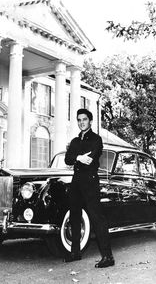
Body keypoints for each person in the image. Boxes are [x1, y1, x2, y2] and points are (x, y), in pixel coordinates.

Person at [64, 108, 114, 268]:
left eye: (84, 119)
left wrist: (77, 158)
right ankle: (75, 252)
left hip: (90, 182)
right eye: (79, 120)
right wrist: (78, 157)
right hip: (76, 181)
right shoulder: (74, 141)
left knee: (97, 218)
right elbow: (68, 159)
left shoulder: (97, 139)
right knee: (75, 217)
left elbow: (90, 159)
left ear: (90, 121)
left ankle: (108, 257)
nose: (81, 122)